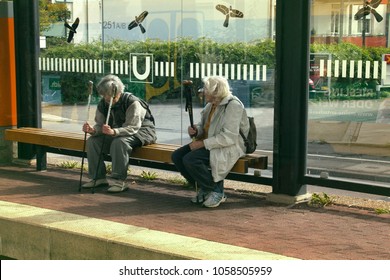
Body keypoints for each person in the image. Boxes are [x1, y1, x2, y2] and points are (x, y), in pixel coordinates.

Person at [172, 76, 249, 208]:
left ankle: (215, 191)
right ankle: (205, 187)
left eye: (206, 89)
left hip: (229, 146)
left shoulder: (233, 105)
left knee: (191, 159)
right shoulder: (210, 105)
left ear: (215, 91)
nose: (202, 92)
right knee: (177, 156)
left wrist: (202, 143)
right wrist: (197, 131)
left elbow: (229, 137)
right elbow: (204, 127)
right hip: (210, 143)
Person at [82, 74, 157, 192]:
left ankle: (119, 181)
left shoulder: (133, 102)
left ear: (118, 92)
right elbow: (100, 124)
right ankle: (98, 178)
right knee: (93, 141)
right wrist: (93, 130)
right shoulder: (103, 103)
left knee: (120, 142)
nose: (107, 99)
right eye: (104, 96)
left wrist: (114, 131)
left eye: (109, 96)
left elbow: (133, 127)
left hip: (142, 132)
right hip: (117, 132)